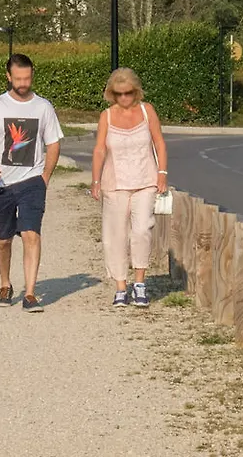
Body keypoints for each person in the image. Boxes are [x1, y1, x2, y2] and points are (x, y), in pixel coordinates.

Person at [0, 53, 64, 312]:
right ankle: (5, 283)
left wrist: (45, 175)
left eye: (27, 78)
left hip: (32, 182)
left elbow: (54, 143)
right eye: (18, 79)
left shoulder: (43, 107)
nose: (23, 83)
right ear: (8, 77)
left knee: (30, 234)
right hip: (0, 184)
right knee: (3, 239)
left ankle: (31, 294)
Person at [90, 67, 169, 308]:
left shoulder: (147, 111)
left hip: (145, 180)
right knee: (115, 235)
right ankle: (120, 286)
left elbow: (159, 143)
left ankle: (140, 283)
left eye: (128, 93)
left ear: (136, 92)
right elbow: (100, 149)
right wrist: (95, 181)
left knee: (142, 229)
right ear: (112, 94)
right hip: (115, 183)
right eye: (119, 94)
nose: (124, 98)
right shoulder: (107, 116)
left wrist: (162, 173)